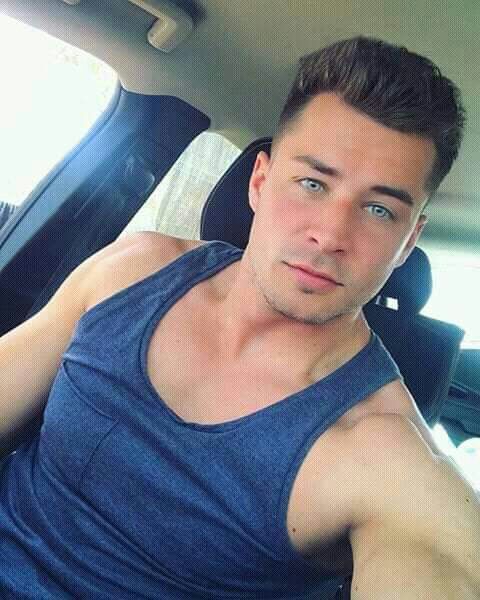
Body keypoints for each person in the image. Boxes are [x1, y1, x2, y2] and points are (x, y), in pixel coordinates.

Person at [0, 36, 478, 599]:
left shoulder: (387, 459)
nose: (330, 235)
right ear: (259, 182)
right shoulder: (131, 271)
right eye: (313, 184)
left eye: (379, 209)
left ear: (408, 242)